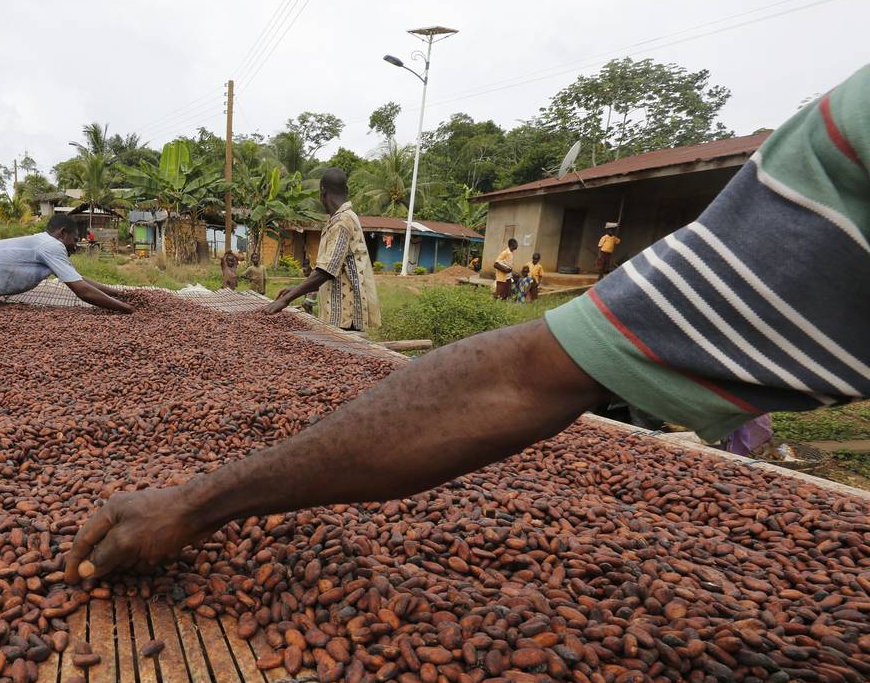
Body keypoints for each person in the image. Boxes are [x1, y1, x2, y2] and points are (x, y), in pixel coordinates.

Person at [64, 64, 870, 584]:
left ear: (325, 196)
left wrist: (198, 499)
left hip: (351, 311)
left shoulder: (835, 161)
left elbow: (520, 376)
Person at [0, 214, 132, 323]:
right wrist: (128, 310)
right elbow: (82, 291)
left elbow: (78, 279)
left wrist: (119, 294)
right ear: (62, 233)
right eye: (74, 239)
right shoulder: (51, 245)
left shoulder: (44, 245)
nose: (75, 245)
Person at [264, 169, 381, 332]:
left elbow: (326, 271)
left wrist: (286, 300)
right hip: (341, 314)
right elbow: (334, 270)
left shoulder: (343, 222)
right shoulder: (340, 219)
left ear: (323, 192)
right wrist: (297, 288)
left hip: (346, 316)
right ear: (346, 191)